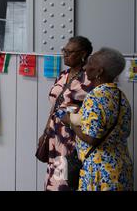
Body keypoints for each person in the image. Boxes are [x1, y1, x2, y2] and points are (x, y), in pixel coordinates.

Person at [62, 48, 134, 191]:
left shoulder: (95, 97)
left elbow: (92, 138)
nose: (85, 66)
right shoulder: (120, 96)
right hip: (121, 168)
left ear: (99, 71)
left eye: (90, 63)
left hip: (99, 172)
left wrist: (70, 121)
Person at [40, 36, 93, 191]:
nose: (65, 54)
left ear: (83, 54)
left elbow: (93, 109)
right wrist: (45, 132)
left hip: (73, 136)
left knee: (68, 179)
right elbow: (55, 105)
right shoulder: (64, 74)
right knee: (54, 177)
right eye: (64, 50)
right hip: (55, 134)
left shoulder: (89, 78)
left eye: (70, 52)